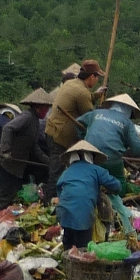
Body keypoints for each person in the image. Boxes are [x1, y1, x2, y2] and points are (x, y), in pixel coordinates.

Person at [78, 93, 140, 234]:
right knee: (119, 183)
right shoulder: (126, 123)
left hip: (89, 154)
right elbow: (139, 146)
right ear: (128, 111)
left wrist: (82, 138)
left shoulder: (96, 113)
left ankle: (95, 203)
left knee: (91, 180)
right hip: (111, 158)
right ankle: (115, 210)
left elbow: (78, 123)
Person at [45, 59, 104, 201]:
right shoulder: (81, 92)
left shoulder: (71, 83)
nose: (97, 81)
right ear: (92, 77)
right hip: (60, 135)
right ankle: (50, 202)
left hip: (52, 130)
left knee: (59, 169)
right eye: (97, 78)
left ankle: (56, 199)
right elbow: (90, 115)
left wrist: (96, 94)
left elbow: (86, 96)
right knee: (57, 172)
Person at [55, 140, 122, 251]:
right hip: (83, 210)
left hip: (64, 211)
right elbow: (115, 185)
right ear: (91, 157)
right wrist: (111, 191)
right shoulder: (96, 170)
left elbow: (58, 188)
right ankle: (81, 263)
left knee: (68, 241)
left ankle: (67, 261)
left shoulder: (67, 171)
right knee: (83, 245)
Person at [0, 89, 53, 209]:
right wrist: (5, 150)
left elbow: (34, 147)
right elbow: (7, 128)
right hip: (6, 162)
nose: (46, 111)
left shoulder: (35, 122)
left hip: (16, 165)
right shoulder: (26, 117)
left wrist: (48, 161)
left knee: (11, 196)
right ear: (38, 107)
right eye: (45, 109)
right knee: (4, 196)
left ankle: (2, 220)